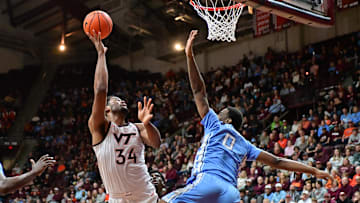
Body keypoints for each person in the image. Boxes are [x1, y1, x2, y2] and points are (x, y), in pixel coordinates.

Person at [160, 30, 332, 203]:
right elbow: (278, 162)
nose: (217, 113)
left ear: (227, 121)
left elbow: (198, 91)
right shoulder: (245, 145)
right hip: (230, 192)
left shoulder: (215, 125)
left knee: (162, 201)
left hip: (208, 181)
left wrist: (189, 56)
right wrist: (314, 171)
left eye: (221, 113)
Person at [86, 31, 161, 202]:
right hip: (117, 199)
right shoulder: (99, 127)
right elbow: (100, 90)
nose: (122, 101)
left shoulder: (137, 127)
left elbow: (156, 143)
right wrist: (101, 54)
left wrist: (147, 124)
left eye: (122, 100)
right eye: (116, 100)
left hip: (145, 195)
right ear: (106, 110)